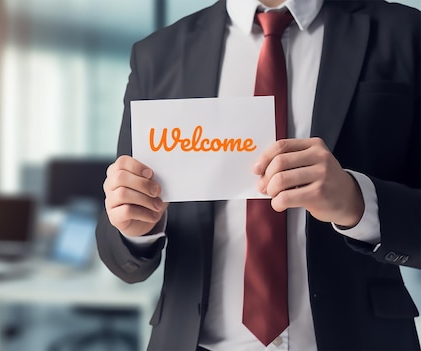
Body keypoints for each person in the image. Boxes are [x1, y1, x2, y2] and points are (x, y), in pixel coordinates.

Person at [96, 0, 420, 350]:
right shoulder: (158, 53)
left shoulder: (404, 32)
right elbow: (118, 248)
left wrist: (359, 203)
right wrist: (136, 229)